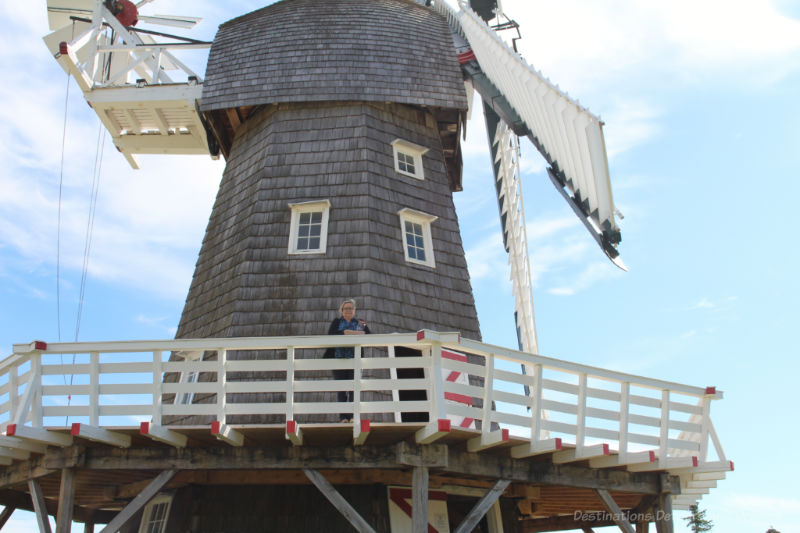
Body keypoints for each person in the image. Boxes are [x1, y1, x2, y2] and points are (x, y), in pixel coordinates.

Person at [326, 299, 370, 422]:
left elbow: (369, 335)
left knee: (353, 389)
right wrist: (347, 332)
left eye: (350, 308)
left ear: (354, 310)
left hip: (355, 360)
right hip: (339, 359)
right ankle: (343, 417)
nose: (348, 311)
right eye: (346, 308)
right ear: (342, 310)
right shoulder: (337, 322)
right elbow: (331, 335)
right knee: (341, 389)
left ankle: (352, 416)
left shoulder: (360, 322)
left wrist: (359, 330)